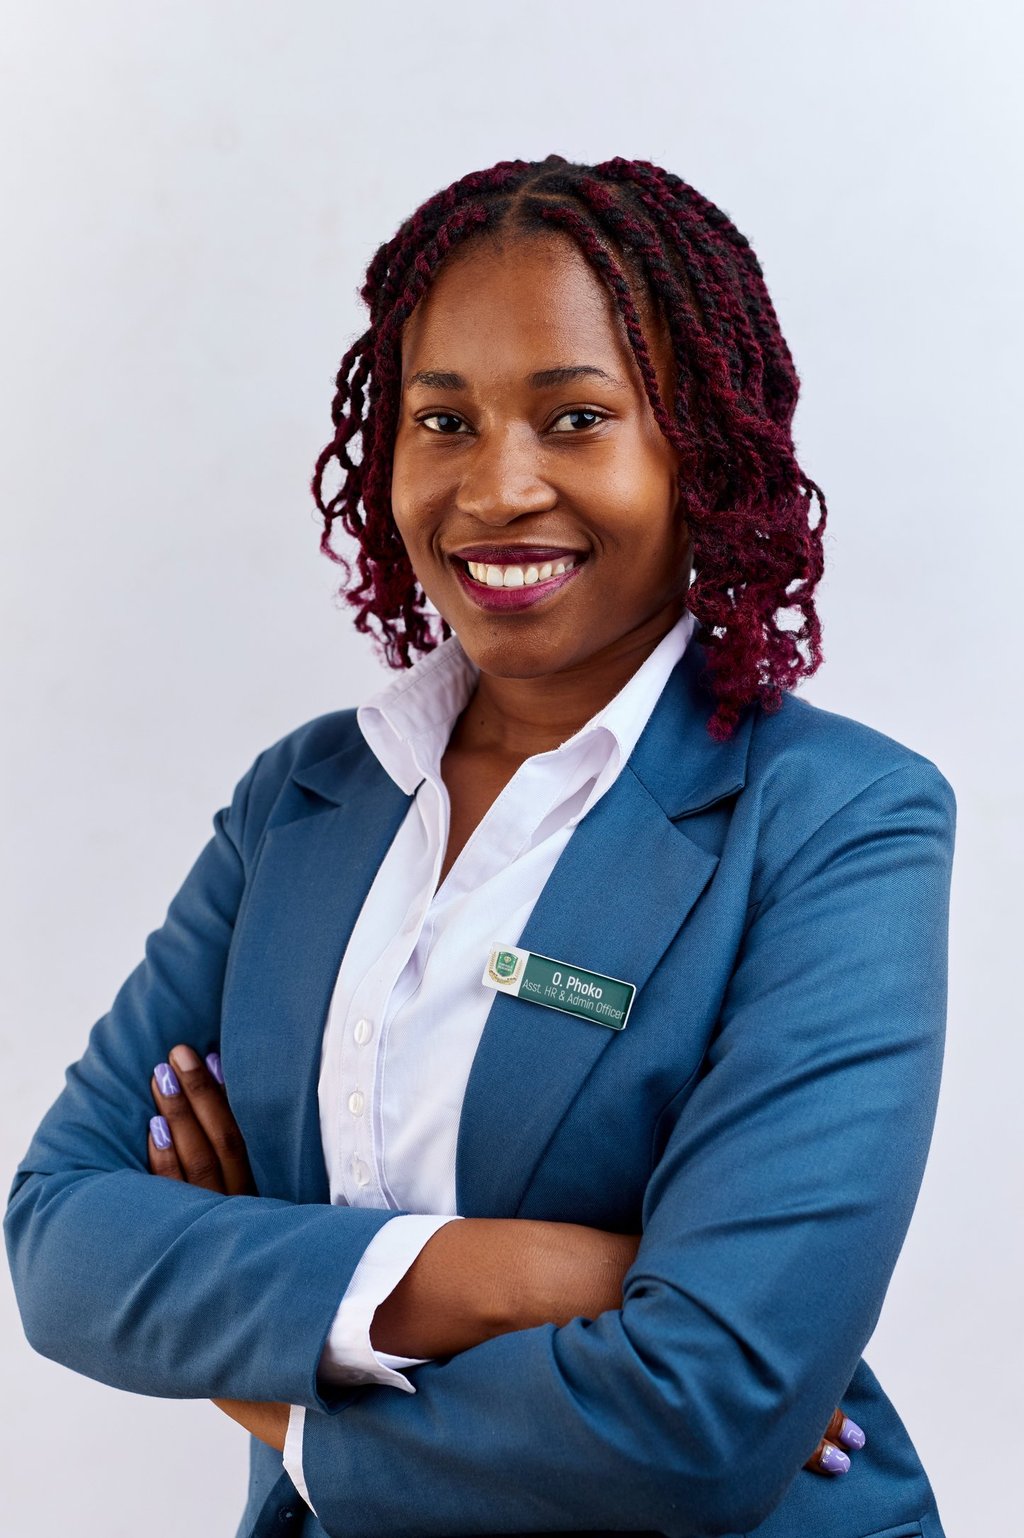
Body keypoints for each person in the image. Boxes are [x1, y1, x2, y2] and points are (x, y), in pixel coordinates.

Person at [4, 154, 955, 1538]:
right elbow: (62, 1246)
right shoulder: (305, 801)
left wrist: (275, 1386)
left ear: (701, 448)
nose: (499, 487)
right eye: (442, 421)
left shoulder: (837, 822)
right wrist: (522, 1273)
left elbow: (709, 1416)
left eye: (577, 417)